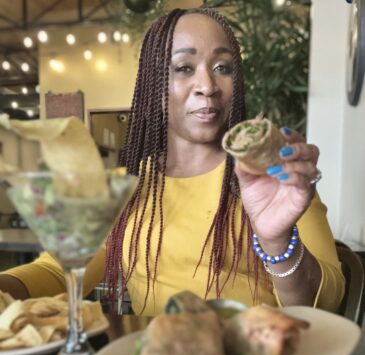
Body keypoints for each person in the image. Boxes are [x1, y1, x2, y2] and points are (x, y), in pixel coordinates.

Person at [0, 7, 344, 316]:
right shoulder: (125, 186)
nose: (207, 85)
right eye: (184, 68)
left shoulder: (272, 179)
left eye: (222, 67)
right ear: (155, 84)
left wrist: (277, 241)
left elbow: (326, 305)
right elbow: (55, 271)